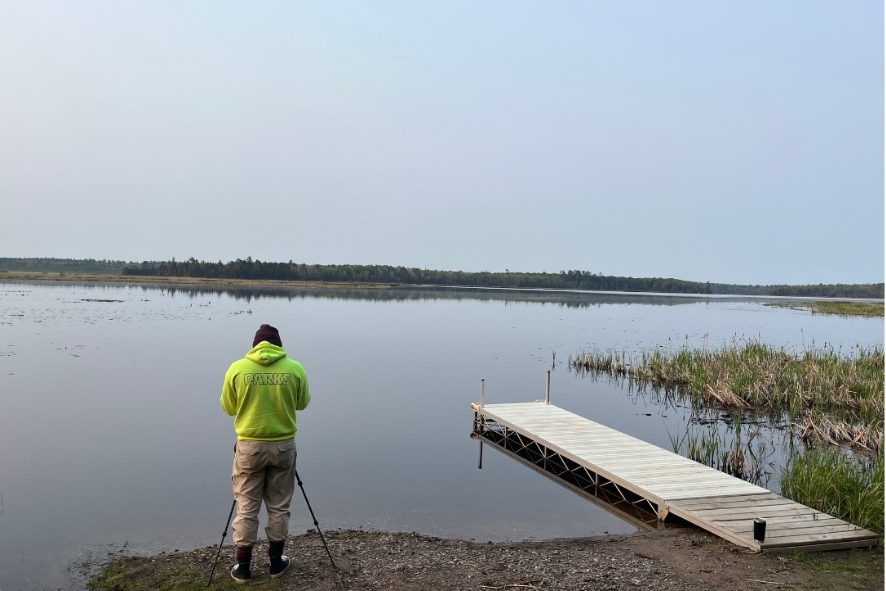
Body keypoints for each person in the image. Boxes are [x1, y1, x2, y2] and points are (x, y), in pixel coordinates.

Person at [220, 324, 311, 583]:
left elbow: (228, 407)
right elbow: (303, 403)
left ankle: (244, 568)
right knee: (279, 506)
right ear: (278, 346)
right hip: (283, 446)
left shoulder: (237, 368)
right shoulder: (294, 368)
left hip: (249, 447)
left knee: (247, 507)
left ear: (255, 346)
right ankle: (275, 564)